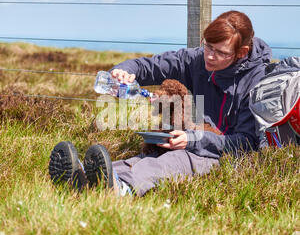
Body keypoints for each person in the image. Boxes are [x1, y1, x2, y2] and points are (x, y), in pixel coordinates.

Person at [49, 11, 272, 196]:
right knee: (149, 158)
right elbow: (152, 66)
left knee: (174, 160)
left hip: (222, 156)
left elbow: (247, 143)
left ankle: (120, 189)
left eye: (220, 52)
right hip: (191, 138)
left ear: (242, 53)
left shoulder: (258, 83)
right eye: (208, 46)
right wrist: (125, 72)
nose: (210, 56)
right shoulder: (197, 60)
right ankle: (86, 178)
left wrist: (194, 140)